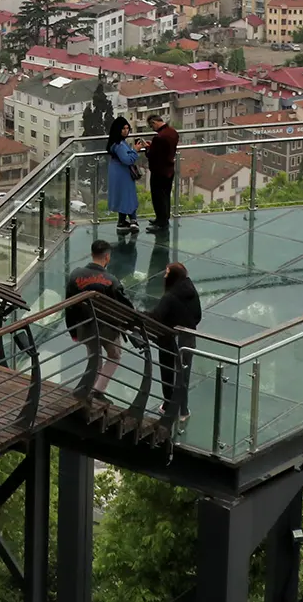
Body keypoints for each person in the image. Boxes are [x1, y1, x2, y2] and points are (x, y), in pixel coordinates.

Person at [64, 238, 134, 397]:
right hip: (108, 329)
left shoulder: (76, 275)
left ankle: (86, 390)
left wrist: (73, 331)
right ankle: (97, 390)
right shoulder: (111, 281)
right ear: (107, 257)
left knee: (94, 358)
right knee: (115, 356)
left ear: (91, 254)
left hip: (84, 327)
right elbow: (125, 306)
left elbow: (69, 305)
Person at [148, 261, 202, 424]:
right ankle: (183, 410)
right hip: (188, 339)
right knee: (183, 375)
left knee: (168, 373)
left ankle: (169, 405)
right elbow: (197, 316)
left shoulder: (169, 297)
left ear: (173, 276)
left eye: (167, 273)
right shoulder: (191, 290)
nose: (164, 276)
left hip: (168, 340)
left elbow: (157, 317)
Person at [142, 113, 179, 233]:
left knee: (158, 197)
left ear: (154, 123)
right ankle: (163, 219)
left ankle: (161, 222)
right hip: (169, 169)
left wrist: (148, 148)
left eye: (152, 127)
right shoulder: (173, 132)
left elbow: (153, 156)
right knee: (166, 196)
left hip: (159, 171)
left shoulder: (159, 138)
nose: (153, 129)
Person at [105, 115, 142, 233]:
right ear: (118, 130)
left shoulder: (117, 143)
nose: (126, 131)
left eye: (127, 128)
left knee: (122, 195)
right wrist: (135, 150)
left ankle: (122, 221)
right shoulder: (120, 145)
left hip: (117, 171)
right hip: (123, 172)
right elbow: (127, 159)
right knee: (128, 195)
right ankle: (133, 220)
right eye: (123, 129)